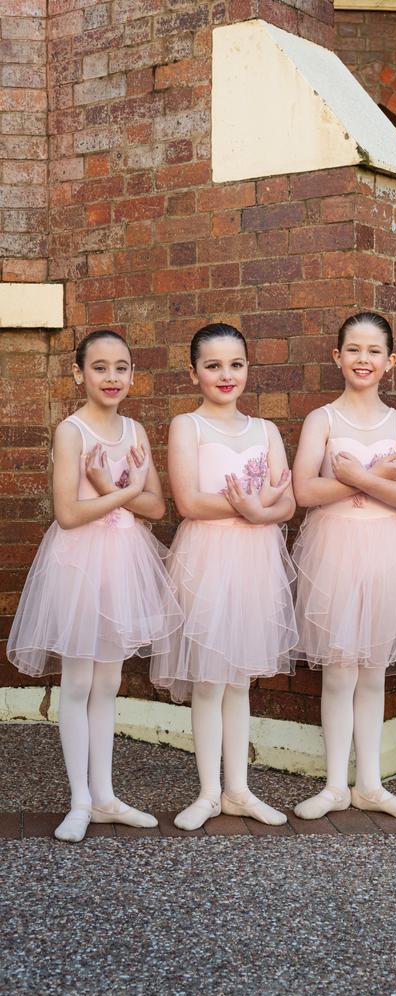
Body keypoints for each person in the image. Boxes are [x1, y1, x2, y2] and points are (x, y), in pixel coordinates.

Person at [8, 329, 182, 843]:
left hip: (124, 562)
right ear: (79, 373)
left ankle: (105, 795)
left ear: (132, 374)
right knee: (79, 683)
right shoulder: (72, 432)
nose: (112, 377)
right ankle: (79, 800)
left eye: (121, 367)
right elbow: (67, 514)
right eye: (100, 367)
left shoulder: (135, 430)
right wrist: (119, 492)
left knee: (109, 683)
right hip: (80, 565)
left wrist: (115, 490)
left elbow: (156, 507)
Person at [150, 323, 296, 829]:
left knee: (240, 681)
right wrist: (255, 506)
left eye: (235, 364)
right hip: (207, 561)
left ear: (248, 368)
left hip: (256, 563)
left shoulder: (265, 431)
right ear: (193, 373)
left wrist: (261, 512)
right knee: (209, 680)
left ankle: (239, 789)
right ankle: (208, 792)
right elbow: (188, 501)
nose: (225, 374)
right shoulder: (187, 427)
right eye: (213, 365)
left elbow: (289, 500)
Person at [292, 312, 396, 822]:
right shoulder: (322, 420)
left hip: (386, 552)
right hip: (334, 550)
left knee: (373, 671)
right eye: (353, 349)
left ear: (390, 362)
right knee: (339, 672)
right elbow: (304, 490)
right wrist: (373, 476)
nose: (363, 359)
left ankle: (370, 783)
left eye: (374, 351)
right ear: (337, 357)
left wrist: (359, 478)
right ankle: (333, 785)